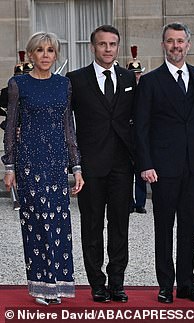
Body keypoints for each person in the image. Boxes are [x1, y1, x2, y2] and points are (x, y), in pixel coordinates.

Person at [1, 32, 84, 305]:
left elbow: (68, 127)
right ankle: (40, 285)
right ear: (31, 54)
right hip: (28, 163)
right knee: (36, 222)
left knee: (59, 222)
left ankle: (58, 282)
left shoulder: (64, 85)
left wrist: (76, 167)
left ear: (56, 54)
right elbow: (11, 127)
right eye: (40, 50)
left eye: (50, 50)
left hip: (57, 163)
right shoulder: (18, 84)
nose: (45, 55)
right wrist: (9, 166)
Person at [135, 22, 194, 303]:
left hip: (193, 166)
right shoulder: (151, 81)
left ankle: (187, 284)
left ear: (188, 45)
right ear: (163, 45)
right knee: (164, 227)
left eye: (180, 41)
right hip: (162, 168)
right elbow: (140, 127)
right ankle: (165, 285)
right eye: (170, 41)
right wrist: (145, 164)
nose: (175, 46)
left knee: (190, 226)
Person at [66, 25, 136, 303]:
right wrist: (73, 163)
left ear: (118, 47)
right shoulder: (76, 79)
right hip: (91, 166)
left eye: (113, 44)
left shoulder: (129, 77)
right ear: (92, 47)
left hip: (122, 165)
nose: (108, 49)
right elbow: (63, 123)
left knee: (120, 226)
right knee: (92, 226)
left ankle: (117, 282)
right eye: (102, 44)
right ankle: (97, 282)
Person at [126, 45, 147, 214]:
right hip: (127, 132)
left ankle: (140, 202)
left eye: (138, 73)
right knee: (126, 172)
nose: (136, 76)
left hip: (140, 132)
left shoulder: (145, 88)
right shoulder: (125, 88)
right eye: (134, 73)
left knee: (141, 170)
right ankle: (129, 202)